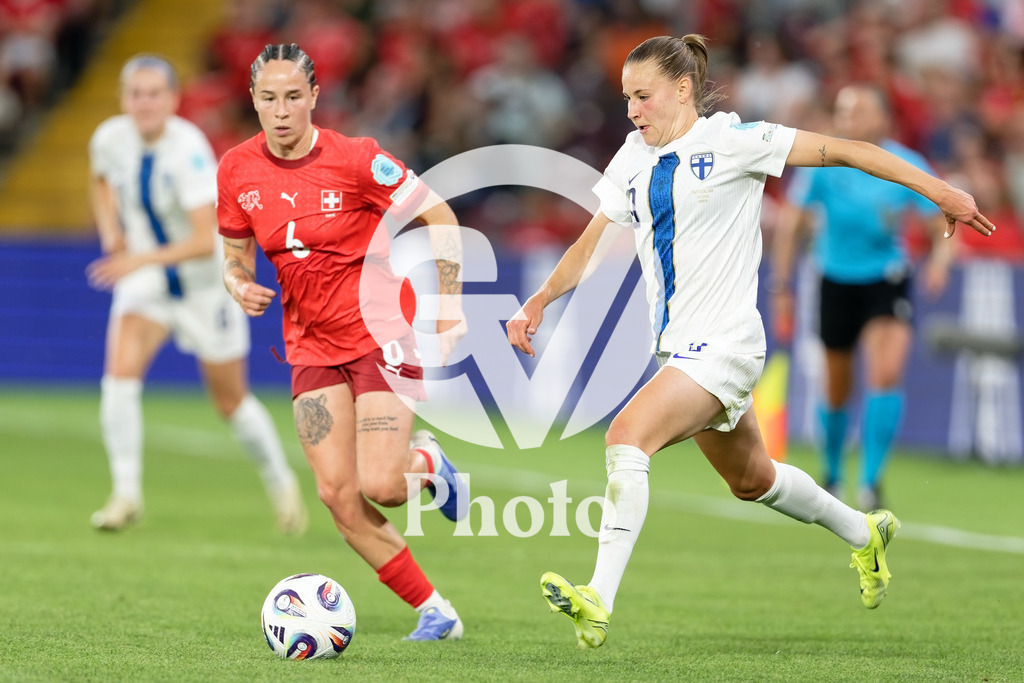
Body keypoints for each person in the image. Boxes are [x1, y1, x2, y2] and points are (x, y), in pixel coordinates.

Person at [506, 35, 994, 649]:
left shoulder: (734, 142)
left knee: (626, 437)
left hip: (727, 345)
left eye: (643, 96)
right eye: (626, 97)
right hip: (680, 350)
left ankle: (598, 599)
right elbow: (588, 244)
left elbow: (849, 151)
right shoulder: (630, 157)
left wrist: (939, 191)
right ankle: (865, 532)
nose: (632, 110)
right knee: (752, 479)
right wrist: (538, 301)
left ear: (682, 91)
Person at [217, 44, 469, 642]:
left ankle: (427, 464)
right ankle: (436, 610)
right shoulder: (235, 170)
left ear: (314, 98)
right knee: (337, 494)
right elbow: (233, 253)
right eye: (268, 98)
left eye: (293, 97)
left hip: (381, 334)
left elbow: (439, 215)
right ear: (253, 99)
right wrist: (237, 284)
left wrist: (451, 305)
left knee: (382, 485)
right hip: (308, 345)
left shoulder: (357, 160)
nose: (281, 111)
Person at [87, 54, 306, 535]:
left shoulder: (188, 150)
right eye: (135, 94)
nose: (144, 103)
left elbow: (202, 240)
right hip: (148, 281)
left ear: (172, 99)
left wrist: (135, 258)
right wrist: (111, 235)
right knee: (118, 379)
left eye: (153, 93)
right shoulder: (109, 139)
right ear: (124, 99)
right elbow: (101, 180)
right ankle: (125, 494)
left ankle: (281, 482)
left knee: (230, 401)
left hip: (204, 285)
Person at [769, 84, 954, 511]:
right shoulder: (822, 161)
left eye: (858, 110)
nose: (847, 117)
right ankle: (832, 475)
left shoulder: (906, 164)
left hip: (885, 279)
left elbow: (938, 220)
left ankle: (871, 482)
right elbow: (792, 224)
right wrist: (781, 286)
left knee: (886, 372)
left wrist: (941, 260)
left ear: (881, 118)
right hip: (835, 278)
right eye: (842, 109)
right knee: (837, 388)